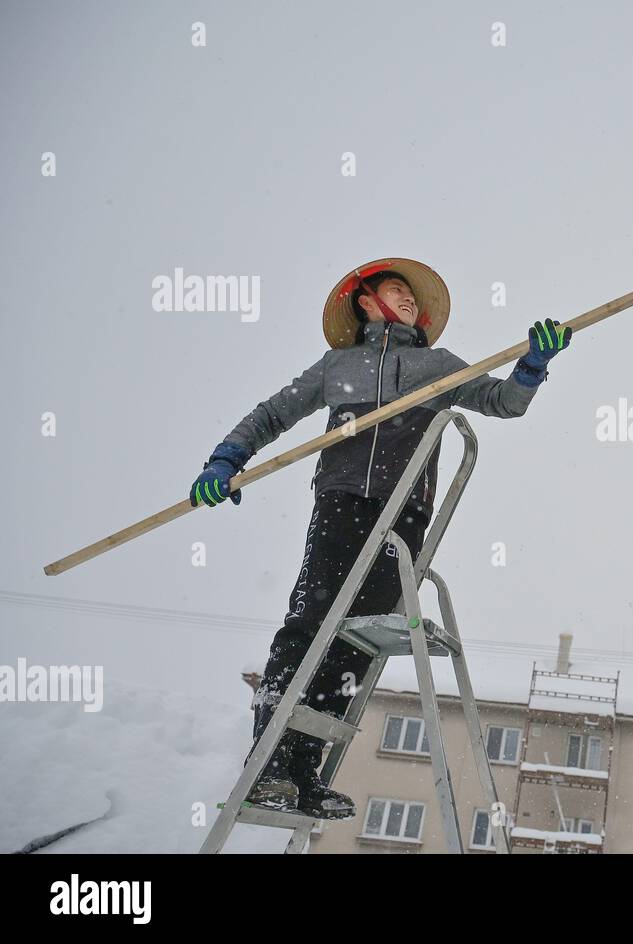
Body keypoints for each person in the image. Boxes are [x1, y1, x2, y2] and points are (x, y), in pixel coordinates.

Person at [189, 258, 571, 818]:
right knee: (309, 625)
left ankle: (305, 772)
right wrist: (226, 459)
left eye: (412, 295)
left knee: (356, 643)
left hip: (405, 514)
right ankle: (269, 766)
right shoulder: (337, 366)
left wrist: (532, 366)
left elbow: (502, 402)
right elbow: (273, 414)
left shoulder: (436, 365)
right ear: (364, 299)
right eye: (397, 290)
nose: (409, 300)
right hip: (341, 504)